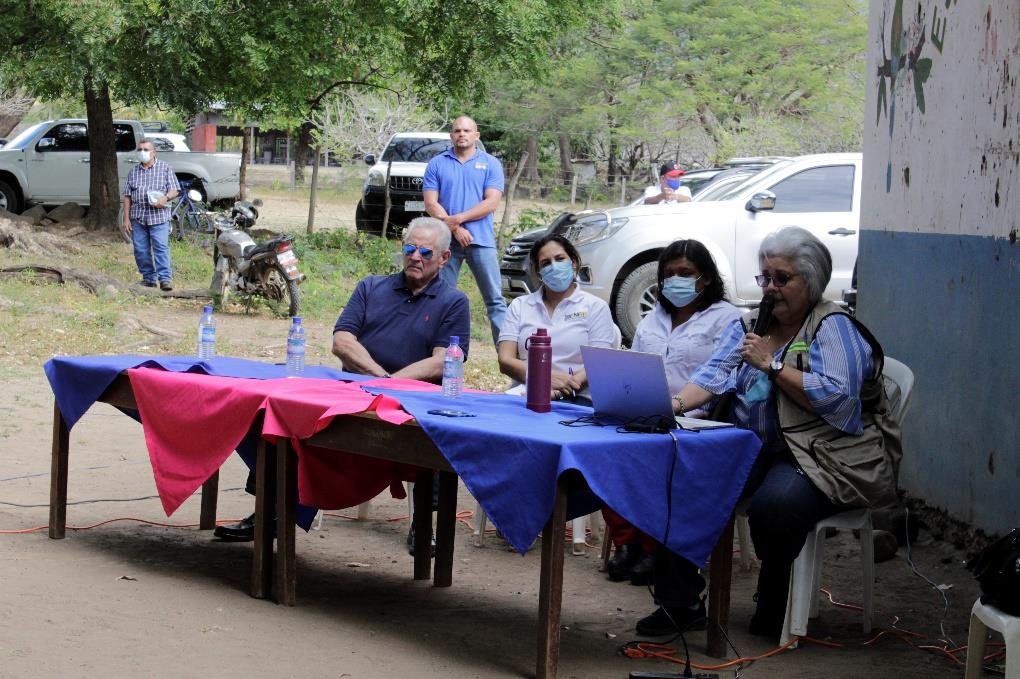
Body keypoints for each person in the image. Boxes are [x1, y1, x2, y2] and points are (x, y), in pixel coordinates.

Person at [636, 226, 900, 639]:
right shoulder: (749, 325)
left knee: (774, 506)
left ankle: (775, 594)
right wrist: (670, 406)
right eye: (766, 278)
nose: (771, 288)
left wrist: (773, 366)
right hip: (750, 446)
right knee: (679, 479)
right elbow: (712, 375)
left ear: (810, 282)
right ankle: (680, 602)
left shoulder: (833, 327)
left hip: (816, 454)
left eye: (782, 278)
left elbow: (839, 403)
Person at [214, 217, 471, 549]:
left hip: (413, 398)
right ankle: (270, 509)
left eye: (425, 251)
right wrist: (379, 377)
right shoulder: (371, 287)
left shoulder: (453, 302)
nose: (415, 257)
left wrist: (394, 382)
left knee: (434, 434)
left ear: (444, 258)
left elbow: (444, 358)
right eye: (410, 248)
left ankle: (423, 523)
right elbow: (342, 340)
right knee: (284, 414)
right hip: (356, 387)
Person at [604, 239, 740, 585]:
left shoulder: (727, 319)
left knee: (656, 456)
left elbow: (725, 378)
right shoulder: (653, 318)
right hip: (644, 413)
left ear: (705, 278)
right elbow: (633, 365)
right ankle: (626, 543)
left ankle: (654, 547)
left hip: (696, 420)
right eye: (669, 274)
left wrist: (677, 407)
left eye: (686, 273)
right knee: (601, 448)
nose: (676, 280)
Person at [497, 234, 617, 404]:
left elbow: (599, 363)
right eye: (546, 263)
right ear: (538, 272)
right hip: (525, 394)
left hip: (577, 397)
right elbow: (505, 360)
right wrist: (544, 378)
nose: (554, 266)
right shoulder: (519, 305)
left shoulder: (595, 307)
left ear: (573, 262)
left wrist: (562, 390)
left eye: (560, 259)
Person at [423, 115, 507, 344]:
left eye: (467, 130)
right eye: (458, 130)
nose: (462, 134)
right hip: (446, 243)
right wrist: (455, 228)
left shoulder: (491, 163)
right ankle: (437, 355)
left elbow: (491, 203)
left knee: (495, 301)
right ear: (451, 135)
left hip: (481, 242)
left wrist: (458, 220)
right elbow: (431, 203)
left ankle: (511, 362)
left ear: (476, 135)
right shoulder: (437, 163)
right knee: (440, 298)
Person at [121, 139, 180, 291]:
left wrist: (165, 198)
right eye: (140, 149)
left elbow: (175, 190)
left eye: (146, 149)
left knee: (160, 247)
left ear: (154, 152)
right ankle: (149, 278)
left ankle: (165, 279)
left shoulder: (165, 168)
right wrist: (126, 218)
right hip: (138, 216)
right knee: (140, 249)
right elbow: (127, 196)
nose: (142, 152)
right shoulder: (133, 172)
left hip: (159, 216)